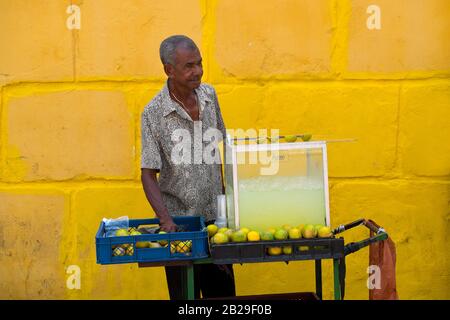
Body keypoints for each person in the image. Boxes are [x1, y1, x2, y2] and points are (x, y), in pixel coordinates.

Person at [140, 35, 235, 300]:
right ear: (169, 70)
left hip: (217, 222)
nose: (198, 71)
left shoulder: (209, 95)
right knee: (186, 299)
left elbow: (223, 149)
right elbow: (148, 173)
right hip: (180, 226)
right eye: (189, 66)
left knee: (224, 298)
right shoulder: (153, 113)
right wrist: (165, 220)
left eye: (200, 63)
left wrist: (232, 203)